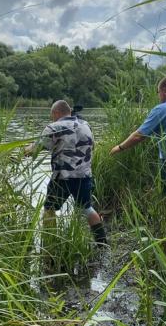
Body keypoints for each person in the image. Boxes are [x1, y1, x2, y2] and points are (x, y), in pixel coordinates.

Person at [25, 100, 107, 245]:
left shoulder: (53, 127)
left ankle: (50, 244)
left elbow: (35, 149)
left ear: (56, 113)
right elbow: (92, 146)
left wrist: (25, 151)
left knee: (49, 209)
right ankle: (102, 243)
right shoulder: (86, 125)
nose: (52, 117)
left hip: (62, 178)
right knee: (87, 208)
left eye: (52, 115)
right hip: (84, 176)